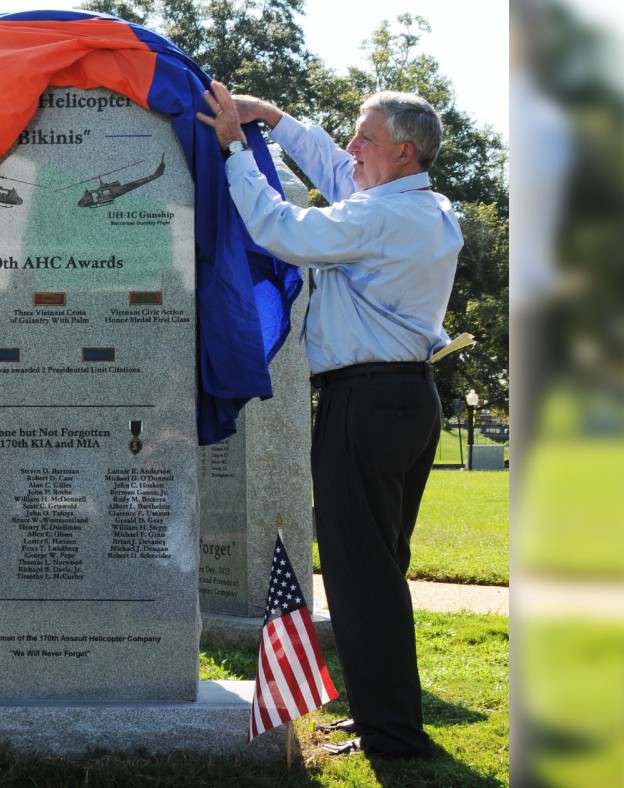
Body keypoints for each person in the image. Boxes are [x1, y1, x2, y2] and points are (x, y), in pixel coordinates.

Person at [197, 82, 462, 758]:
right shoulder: (419, 206)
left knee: (359, 574)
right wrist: (278, 122)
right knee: (375, 570)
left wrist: (233, 149)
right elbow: (338, 169)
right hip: (404, 400)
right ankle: (385, 717)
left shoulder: (383, 219)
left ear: (402, 152)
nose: (351, 148)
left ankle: (393, 734)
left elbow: (281, 231)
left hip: (366, 404)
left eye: (365, 137)